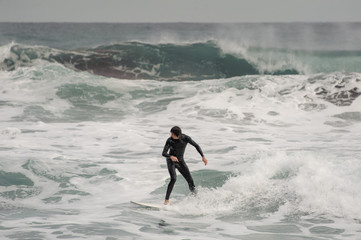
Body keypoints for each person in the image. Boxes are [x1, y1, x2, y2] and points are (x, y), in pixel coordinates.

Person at [162, 126, 208, 205]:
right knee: (173, 178)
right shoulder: (169, 140)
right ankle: (166, 201)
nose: (171, 135)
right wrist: (171, 157)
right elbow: (164, 153)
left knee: (190, 181)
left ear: (178, 135)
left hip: (180, 161)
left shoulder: (186, 138)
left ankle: (196, 199)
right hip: (171, 161)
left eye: (172, 134)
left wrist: (202, 156)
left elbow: (196, 145)